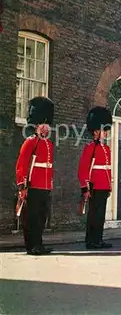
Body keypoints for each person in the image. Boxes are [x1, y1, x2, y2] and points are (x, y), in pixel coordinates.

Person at [16, 97, 54, 255]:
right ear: (37, 125)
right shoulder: (30, 142)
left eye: (47, 125)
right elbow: (22, 165)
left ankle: (39, 243)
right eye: (43, 125)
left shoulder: (49, 144)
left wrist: (50, 184)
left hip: (45, 186)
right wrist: (22, 186)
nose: (45, 128)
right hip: (33, 185)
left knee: (41, 217)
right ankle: (31, 245)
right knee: (31, 217)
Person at [78, 107, 113, 249]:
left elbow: (107, 170)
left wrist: (109, 186)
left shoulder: (106, 149)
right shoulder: (90, 147)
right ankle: (91, 240)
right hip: (94, 186)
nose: (105, 133)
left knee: (100, 216)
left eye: (106, 131)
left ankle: (98, 239)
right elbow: (83, 170)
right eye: (103, 131)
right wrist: (85, 187)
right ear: (96, 131)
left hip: (104, 186)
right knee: (93, 216)